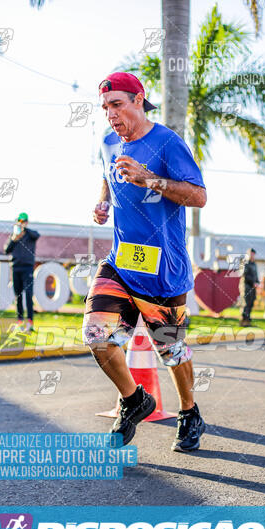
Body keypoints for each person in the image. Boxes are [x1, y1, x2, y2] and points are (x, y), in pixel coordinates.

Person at [83, 72, 207, 452]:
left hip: (163, 270)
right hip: (122, 261)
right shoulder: (108, 142)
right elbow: (109, 172)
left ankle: (189, 412)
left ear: (139, 100)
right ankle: (135, 400)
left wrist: (150, 180)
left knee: (171, 350)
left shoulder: (167, 142)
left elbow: (199, 196)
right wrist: (104, 199)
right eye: (105, 108)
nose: (111, 115)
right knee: (96, 335)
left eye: (117, 105)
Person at [4, 212, 40, 332]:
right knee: (17, 296)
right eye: (20, 221)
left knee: (28, 294)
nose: (21, 223)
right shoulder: (14, 236)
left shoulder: (31, 234)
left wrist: (24, 228)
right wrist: (14, 239)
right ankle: (20, 321)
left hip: (27, 268)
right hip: (15, 268)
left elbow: (37, 235)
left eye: (23, 221)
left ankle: (30, 322)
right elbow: (6, 250)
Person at [239, 248, 259, 327]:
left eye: (253, 254)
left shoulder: (254, 264)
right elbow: (244, 275)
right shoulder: (245, 263)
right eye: (251, 254)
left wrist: (257, 282)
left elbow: (255, 275)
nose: (252, 256)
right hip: (246, 286)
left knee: (251, 302)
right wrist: (253, 282)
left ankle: (248, 320)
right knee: (245, 303)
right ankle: (243, 321)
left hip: (253, 287)